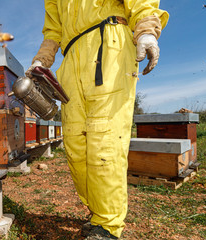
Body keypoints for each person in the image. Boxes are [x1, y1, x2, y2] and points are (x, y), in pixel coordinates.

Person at [26, 0, 169, 239]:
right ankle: (98, 212)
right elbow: (53, 30)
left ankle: (109, 226)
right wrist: (41, 60)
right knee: (75, 143)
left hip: (109, 45)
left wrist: (146, 29)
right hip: (71, 58)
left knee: (106, 139)